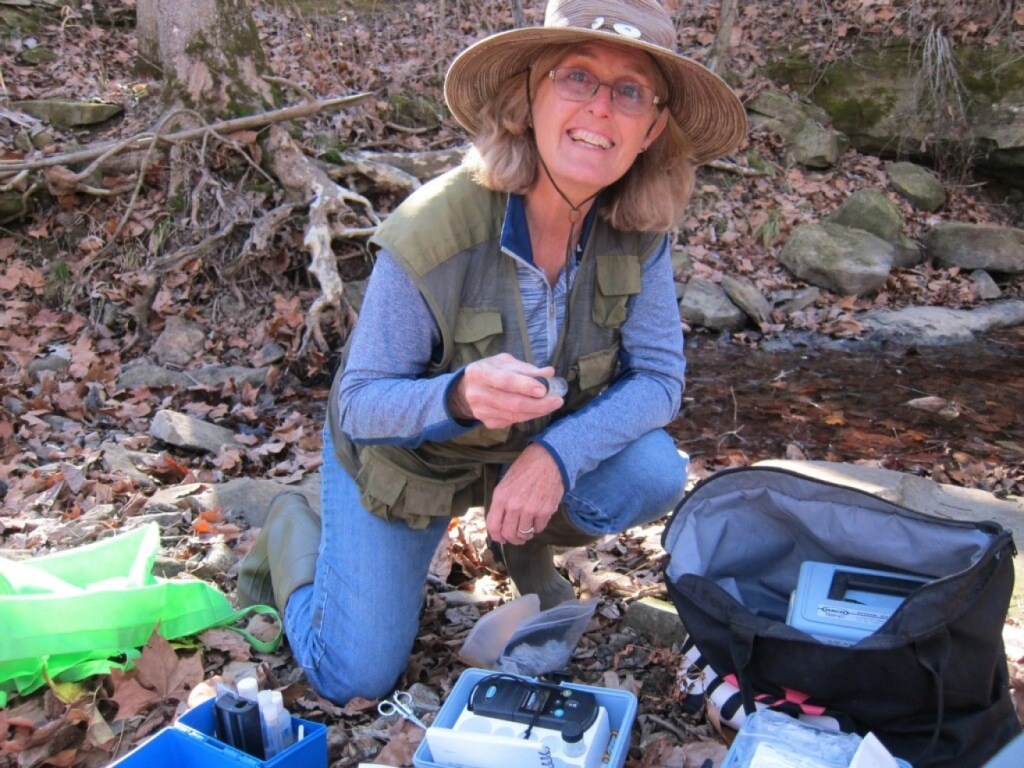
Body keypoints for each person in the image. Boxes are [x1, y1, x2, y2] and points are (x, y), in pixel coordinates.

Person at [239, 0, 746, 705]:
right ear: (529, 94)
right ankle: (295, 525)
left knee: (655, 470)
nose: (601, 108)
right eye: (577, 77)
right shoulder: (431, 229)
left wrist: (554, 457)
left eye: (629, 91)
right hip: (408, 457)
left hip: (525, 451)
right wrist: (456, 396)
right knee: (350, 675)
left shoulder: (642, 230)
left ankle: (520, 536)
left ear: (652, 127)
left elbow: (660, 380)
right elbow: (357, 403)